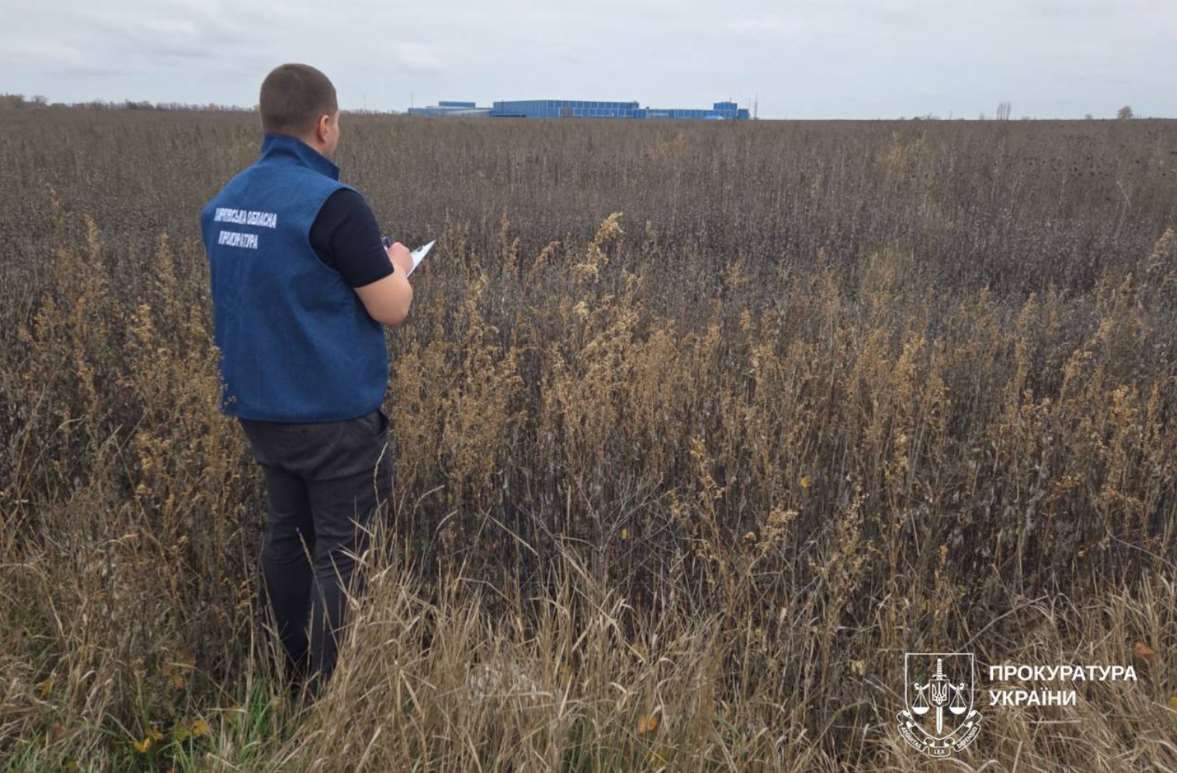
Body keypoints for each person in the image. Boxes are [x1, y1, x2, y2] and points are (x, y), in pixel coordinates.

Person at [199, 63, 414, 699]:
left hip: (260, 409)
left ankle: (291, 674)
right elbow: (392, 307)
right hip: (333, 414)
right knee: (340, 553)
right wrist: (395, 263)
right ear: (324, 125)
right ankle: (328, 692)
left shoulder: (226, 201)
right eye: (337, 122)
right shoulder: (336, 206)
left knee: (285, 535)